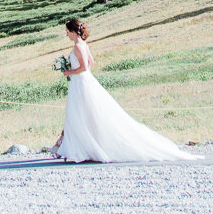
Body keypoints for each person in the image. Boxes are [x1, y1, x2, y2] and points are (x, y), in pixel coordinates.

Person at [52, 18, 200, 162]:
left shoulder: (78, 46)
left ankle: (83, 148)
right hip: (85, 82)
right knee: (88, 114)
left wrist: (69, 72)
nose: (66, 34)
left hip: (80, 84)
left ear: (73, 32)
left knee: (79, 114)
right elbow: (92, 63)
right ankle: (85, 146)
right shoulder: (84, 45)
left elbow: (84, 67)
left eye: (67, 31)